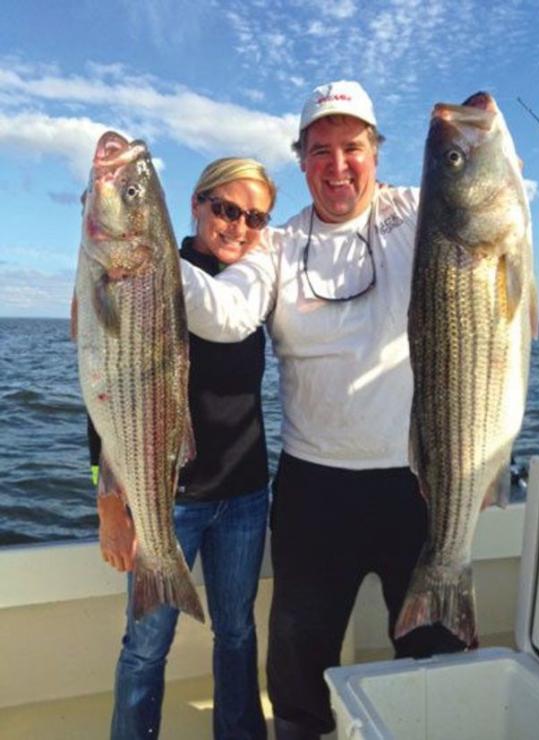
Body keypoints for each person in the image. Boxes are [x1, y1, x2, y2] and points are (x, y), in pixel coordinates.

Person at [179, 81, 467, 740]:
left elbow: (489, 232)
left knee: (431, 657)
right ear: (301, 159)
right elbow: (225, 317)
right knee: (297, 669)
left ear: (376, 151)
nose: (337, 166)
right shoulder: (275, 246)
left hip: (419, 482)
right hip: (313, 490)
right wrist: (134, 262)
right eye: (319, 150)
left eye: (351, 148)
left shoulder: (423, 215)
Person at [91, 156, 277, 740]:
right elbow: (104, 395)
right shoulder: (149, 270)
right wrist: (108, 503)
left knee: (238, 633)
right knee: (146, 646)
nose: (237, 226)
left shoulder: (255, 283)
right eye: (225, 209)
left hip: (246, 496)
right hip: (167, 499)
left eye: (254, 217)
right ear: (195, 205)